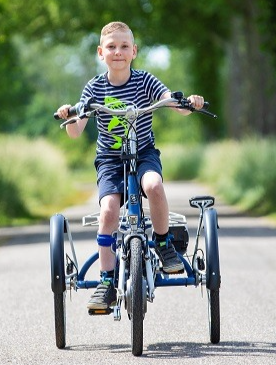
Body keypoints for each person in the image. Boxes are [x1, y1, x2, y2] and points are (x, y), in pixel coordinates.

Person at [55, 21, 205, 311]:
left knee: (155, 186)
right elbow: (75, 132)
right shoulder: (95, 87)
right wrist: (70, 114)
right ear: (101, 52)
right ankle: (107, 281)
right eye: (111, 47)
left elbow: (170, 101)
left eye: (124, 46)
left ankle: (163, 244)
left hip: (144, 153)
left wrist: (188, 102)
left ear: (134, 51)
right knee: (109, 211)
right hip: (110, 160)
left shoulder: (146, 81)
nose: (118, 52)